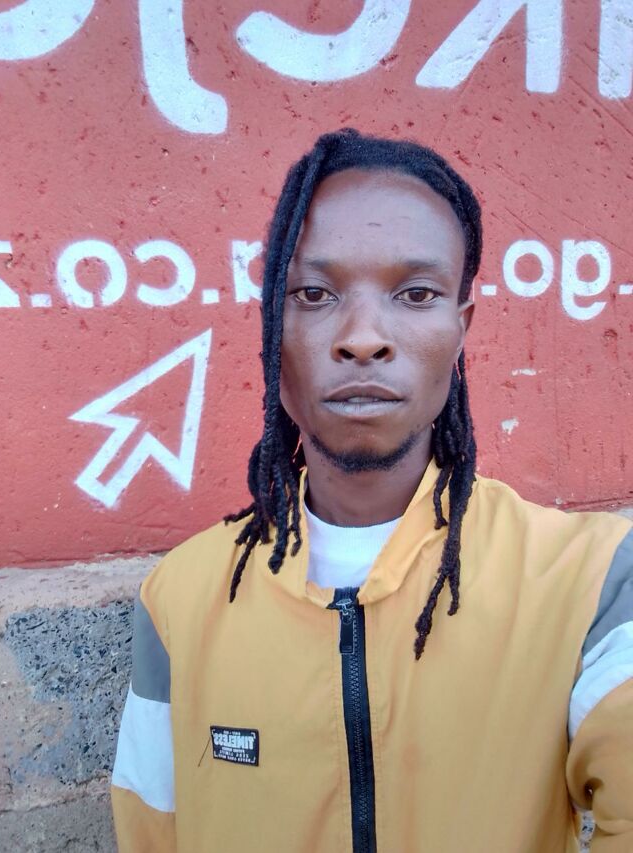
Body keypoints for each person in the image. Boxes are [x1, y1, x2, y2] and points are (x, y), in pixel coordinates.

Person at [111, 129, 633, 852]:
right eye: (314, 294)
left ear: (460, 329)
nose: (362, 337)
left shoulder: (592, 582)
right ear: (272, 329)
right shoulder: (178, 601)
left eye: (416, 294)